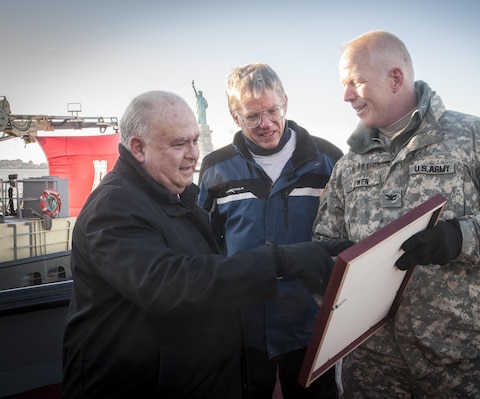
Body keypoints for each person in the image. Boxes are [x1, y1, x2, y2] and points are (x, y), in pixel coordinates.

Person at [312, 31, 480, 398]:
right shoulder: (349, 165)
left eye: (355, 82)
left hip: (463, 363)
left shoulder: (474, 137)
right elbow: (325, 241)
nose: (345, 95)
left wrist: (460, 238)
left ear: (395, 78)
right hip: (372, 366)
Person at [61, 90, 352, 399]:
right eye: (179, 144)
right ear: (138, 148)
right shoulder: (113, 207)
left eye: (195, 141)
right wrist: (279, 260)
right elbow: (168, 283)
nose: (193, 154)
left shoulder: (173, 195)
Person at [198, 63, 344, 399]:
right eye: (252, 116)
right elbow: (205, 241)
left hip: (313, 326)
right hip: (244, 327)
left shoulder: (329, 161)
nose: (266, 124)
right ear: (235, 117)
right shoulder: (215, 168)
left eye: (272, 110)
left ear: (286, 103)